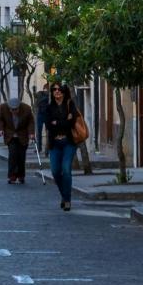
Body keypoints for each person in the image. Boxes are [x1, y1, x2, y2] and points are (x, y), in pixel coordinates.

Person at [41, 82, 81, 211]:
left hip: (68, 143)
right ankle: (64, 195)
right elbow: (48, 125)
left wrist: (57, 122)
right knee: (55, 171)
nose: (57, 91)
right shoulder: (48, 107)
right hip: (55, 144)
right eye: (54, 89)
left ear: (64, 92)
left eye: (59, 90)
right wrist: (64, 122)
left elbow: (72, 123)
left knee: (66, 170)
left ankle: (67, 200)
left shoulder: (70, 105)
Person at [0, 95, 34, 184]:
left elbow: (31, 122)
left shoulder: (27, 109)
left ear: (19, 107)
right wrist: (0, 129)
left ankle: (21, 175)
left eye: (15, 109)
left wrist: (31, 133)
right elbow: (0, 119)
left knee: (21, 156)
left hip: (22, 134)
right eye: (12, 109)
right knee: (12, 155)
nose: (13, 111)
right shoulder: (3, 107)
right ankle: (12, 175)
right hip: (10, 135)